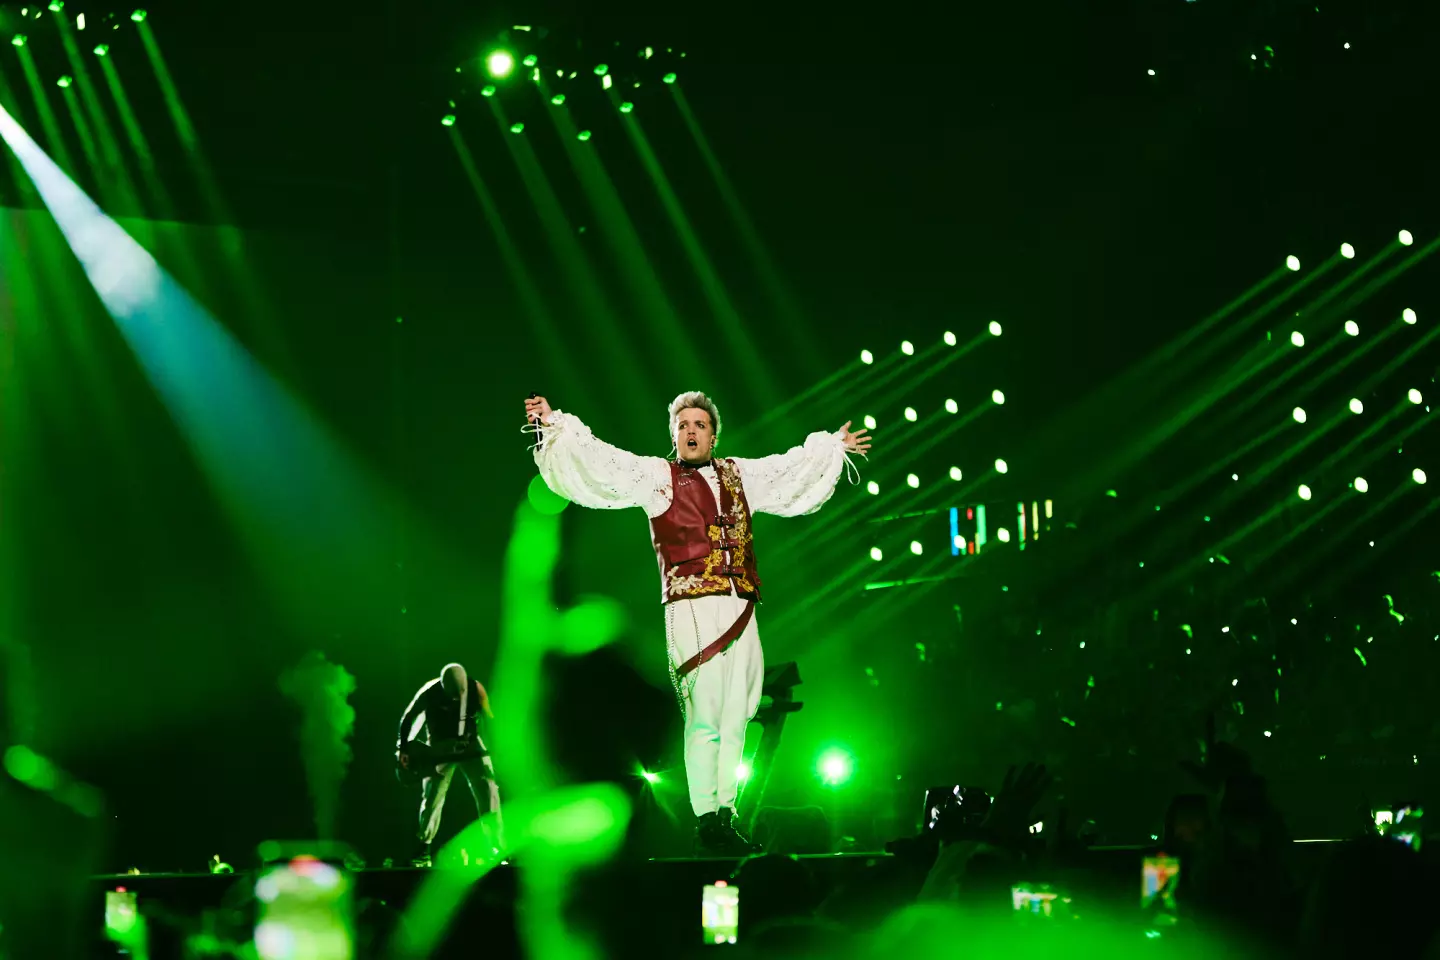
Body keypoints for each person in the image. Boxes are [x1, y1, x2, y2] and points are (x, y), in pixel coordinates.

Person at [526, 391, 871, 856]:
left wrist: (830, 446)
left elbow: (786, 467)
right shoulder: (657, 478)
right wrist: (556, 425)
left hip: (741, 604)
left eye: (699, 425)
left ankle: (726, 813)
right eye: (683, 425)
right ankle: (706, 816)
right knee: (705, 713)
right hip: (691, 604)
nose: (691, 431)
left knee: (738, 714)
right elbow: (604, 460)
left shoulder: (740, 474)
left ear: (713, 435)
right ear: (674, 435)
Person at [396, 662, 503, 866]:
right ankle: (424, 847)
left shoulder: (476, 689)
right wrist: (403, 748)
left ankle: (496, 845)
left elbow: (488, 717)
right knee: (433, 795)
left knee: (488, 788)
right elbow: (409, 717)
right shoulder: (429, 692)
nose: (455, 698)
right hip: (439, 747)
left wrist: (495, 745)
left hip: (470, 743)